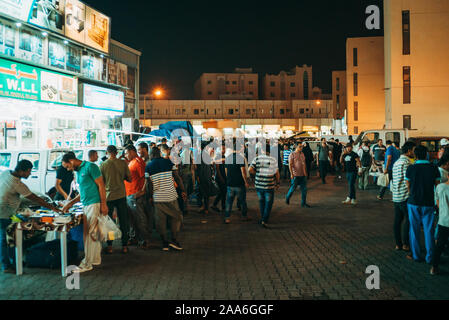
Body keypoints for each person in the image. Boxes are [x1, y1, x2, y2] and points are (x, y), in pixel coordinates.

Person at [0, 160, 62, 274]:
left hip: (9, 213)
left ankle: (14, 261)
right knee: (7, 239)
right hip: (4, 214)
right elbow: (34, 198)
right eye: (28, 171)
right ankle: (7, 265)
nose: (29, 174)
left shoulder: (6, 173)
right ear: (22, 171)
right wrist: (52, 208)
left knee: (11, 237)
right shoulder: (17, 184)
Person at [61, 153, 108, 273]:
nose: (67, 169)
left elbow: (101, 185)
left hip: (94, 204)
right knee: (93, 233)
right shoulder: (78, 171)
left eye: (67, 166)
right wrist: (70, 203)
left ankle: (87, 264)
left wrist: (103, 204)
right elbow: (83, 192)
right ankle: (95, 259)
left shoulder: (90, 167)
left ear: (71, 161)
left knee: (89, 234)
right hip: (87, 204)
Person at [146, 147, 187, 251]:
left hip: (158, 198)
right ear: (159, 153)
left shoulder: (148, 166)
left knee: (161, 221)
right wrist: (183, 190)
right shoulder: (169, 162)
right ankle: (174, 239)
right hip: (171, 196)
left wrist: (150, 196)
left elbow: (149, 184)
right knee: (175, 218)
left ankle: (164, 243)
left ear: (151, 155)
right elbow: (177, 177)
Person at [406, 145, 440, 264]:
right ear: (426, 154)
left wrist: (412, 194)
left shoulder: (410, 168)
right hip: (428, 203)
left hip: (413, 202)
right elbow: (437, 186)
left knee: (414, 230)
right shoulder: (433, 168)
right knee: (429, 230)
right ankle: (430, 257)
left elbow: (408, 185)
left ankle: (416, 255)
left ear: (415, 155)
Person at [100, 145, 132, 254]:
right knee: (124, 221)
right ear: (116, 152)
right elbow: (130, 178)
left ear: (107, 153)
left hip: (109, 197)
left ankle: (110, 246)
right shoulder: (123, 163)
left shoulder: (103, 165)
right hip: (121, 195)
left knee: (110, 223)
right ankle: (124, 246)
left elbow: (101, 183)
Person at [124, 145, 152, 250]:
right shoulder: (131, 162)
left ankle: (145, 239)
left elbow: (146, 177)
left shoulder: (138, 162)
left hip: (136, 194)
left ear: (132, 151)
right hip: (129, 194)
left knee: (140, 218)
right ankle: (134, 237)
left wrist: (143, 191)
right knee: (132, 219)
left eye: (127, 153)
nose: (126, 155)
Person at [391, 141, 416, 252]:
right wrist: (411, 193)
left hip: (396, 196)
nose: (414, 153)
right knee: (408, 220)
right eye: (413, 150)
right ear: (409, 150)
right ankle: (405, 243)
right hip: (405, 196)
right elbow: (408, 181)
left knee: (397, 221)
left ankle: (398, 244)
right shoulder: (406, 163)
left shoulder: (397, 162)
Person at [249, 144, 280, 228]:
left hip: (259, 184)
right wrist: (277, 183)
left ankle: (263, 218)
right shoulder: (273, 160)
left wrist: (257, 174)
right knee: (268, 203)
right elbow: (277, 173)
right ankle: (264, 219)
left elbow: (250, 170)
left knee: (261, 201)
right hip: (269, 185)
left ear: (261, 150)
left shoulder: (257, 159)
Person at [224, 139, 250, 224]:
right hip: (239, 183)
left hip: (230, 183)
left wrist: (228, 178)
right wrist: (246, 181)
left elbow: (226, 171)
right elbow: (243, 171)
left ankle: (227, 217)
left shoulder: (228, 157)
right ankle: (244, 216)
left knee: (229, 201)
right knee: (242, 201)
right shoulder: (240, 158)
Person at [432, 171, 449, 275]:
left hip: (443, 220)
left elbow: (437, 202)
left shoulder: (440, 187)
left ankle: (434, 267)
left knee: (440, 245)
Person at [285, 143, 310, 208]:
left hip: (302, 175)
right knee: (293, 189)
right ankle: (287, 197)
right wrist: (291, 174)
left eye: (302, 147)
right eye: (300, 147)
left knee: (304, 190)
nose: (301, 148)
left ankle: (303, 203)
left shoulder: (302, 154)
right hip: (295, 175)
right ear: (296, 147)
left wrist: (305, 173)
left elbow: (304, 164)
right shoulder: (292, 154)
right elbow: (290, 165)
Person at [212, 143, 227, 213]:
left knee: (223, 192)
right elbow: (217, 168)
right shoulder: (218, 156)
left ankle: (221, 206)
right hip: (219, 176)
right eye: (222, 148)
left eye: (224, 148)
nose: (224, 150)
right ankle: (218, 205)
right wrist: (220, 177)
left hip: (223, 176)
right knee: (222, 192)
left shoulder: (224, 156)